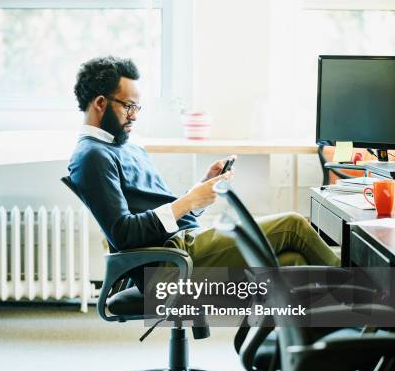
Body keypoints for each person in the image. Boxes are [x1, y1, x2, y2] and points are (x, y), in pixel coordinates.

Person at [68, 56, 340, 289]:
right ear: (100, 103)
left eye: (137, 107)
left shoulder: (124, 146)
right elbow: (124, 234)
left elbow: (162, 212)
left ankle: (313, 345)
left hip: (182, 245)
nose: (135, 115)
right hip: (166, 264)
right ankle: (375, 300)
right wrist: (189, 201)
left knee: (294, 264)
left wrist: (199, 191)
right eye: (128, 106)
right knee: (293, 225)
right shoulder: (92, 156)